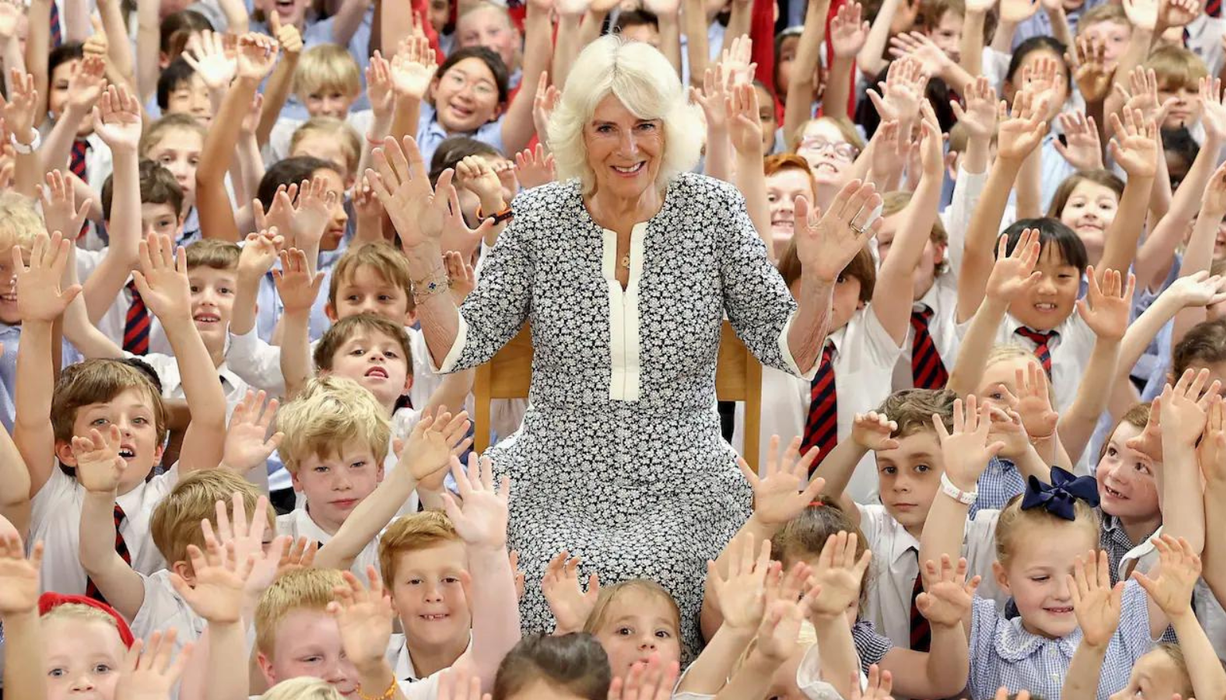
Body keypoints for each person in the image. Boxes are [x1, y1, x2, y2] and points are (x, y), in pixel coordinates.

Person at [365, 34, 887, 650]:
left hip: (685, 479)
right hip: (552, 474)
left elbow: (789, 352)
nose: (629, 147)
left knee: (676, 608)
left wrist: (820, 280)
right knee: (534, 594)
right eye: (606, 128)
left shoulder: (713, 210)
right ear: (579, 136)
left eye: (645, 125)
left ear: (670, 129)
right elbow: (460, 350)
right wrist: (424, 254)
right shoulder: (537, 217)